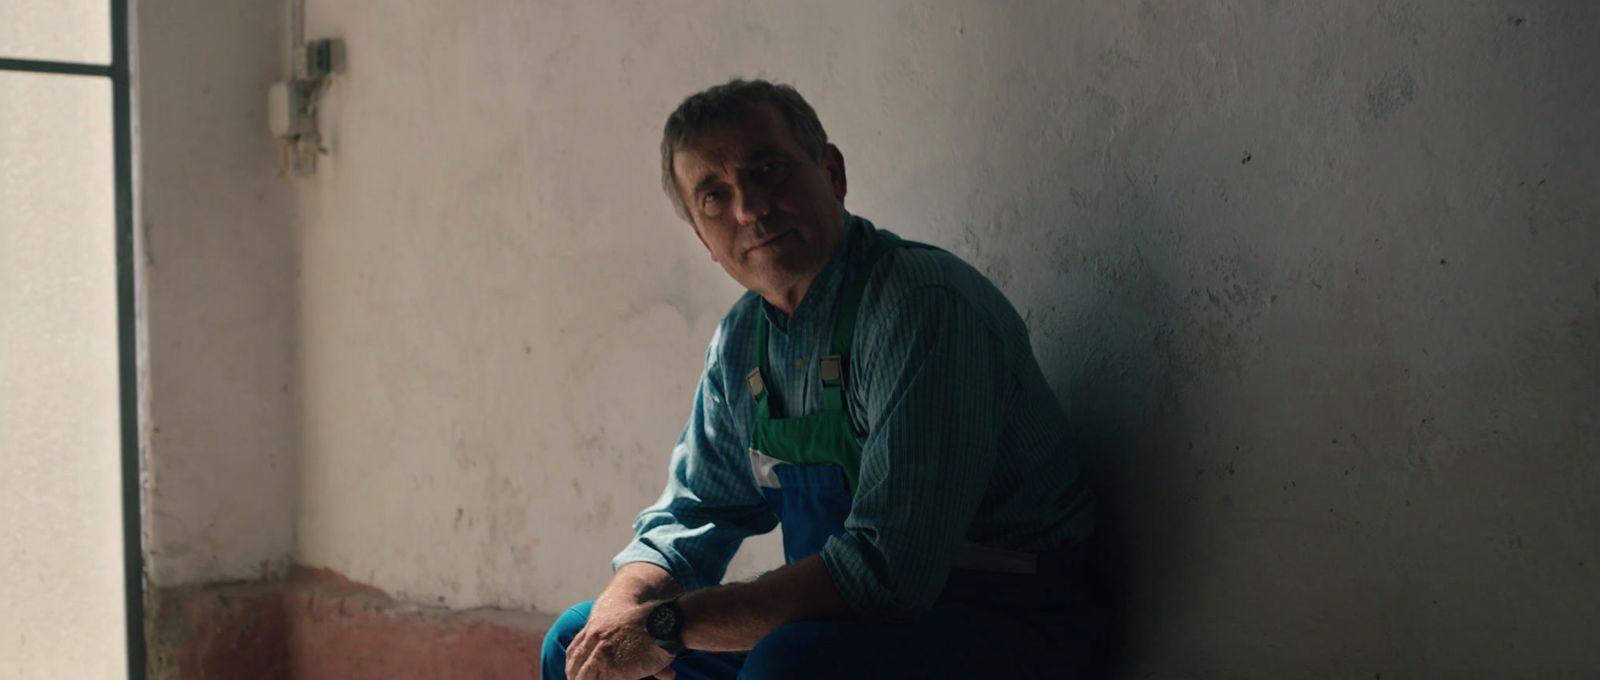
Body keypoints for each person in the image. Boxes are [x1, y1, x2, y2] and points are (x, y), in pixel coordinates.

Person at [542, 79, 1102, 680]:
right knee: (577, 642)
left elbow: (888, 574)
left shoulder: (922, 308)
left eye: (769, 169)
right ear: (704, 240)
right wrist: (622, 608)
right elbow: (696, 511)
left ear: (831, 172)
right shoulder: (741, 343)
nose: (751, 209)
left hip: (1010, 622)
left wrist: (665, 627)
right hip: (852, 626)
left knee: (791, 666)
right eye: (713, 196)